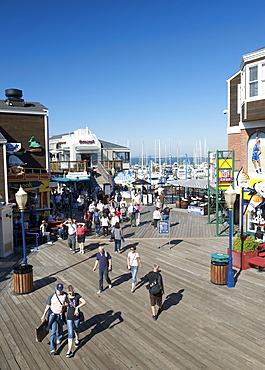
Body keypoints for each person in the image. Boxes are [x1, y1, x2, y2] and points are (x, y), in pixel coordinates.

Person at [41, 283, 67, 355]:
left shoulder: (65, 295)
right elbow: (48, 306)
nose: (59, 292)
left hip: (60, 315)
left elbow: (68, 303)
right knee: (53, 331)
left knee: (60, 328)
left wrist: (64, 307)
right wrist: (43, 315)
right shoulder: (52, 295)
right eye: (58, 290)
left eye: (61, 290)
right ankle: (53, 349)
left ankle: (59, 337)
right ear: (55, 288)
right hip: (53, 315)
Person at [65, 285, 87, 358]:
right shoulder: (67, 297)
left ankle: (77, 338)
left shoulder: (77, 296)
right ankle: (70, 350)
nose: (71, 294)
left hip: (76, 316)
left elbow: (84, 302)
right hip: (69, 317)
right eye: (69, 293)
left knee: (76, 328)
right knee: (70, 333)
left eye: (72, 293)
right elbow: (64, 304)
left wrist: (77, 307)